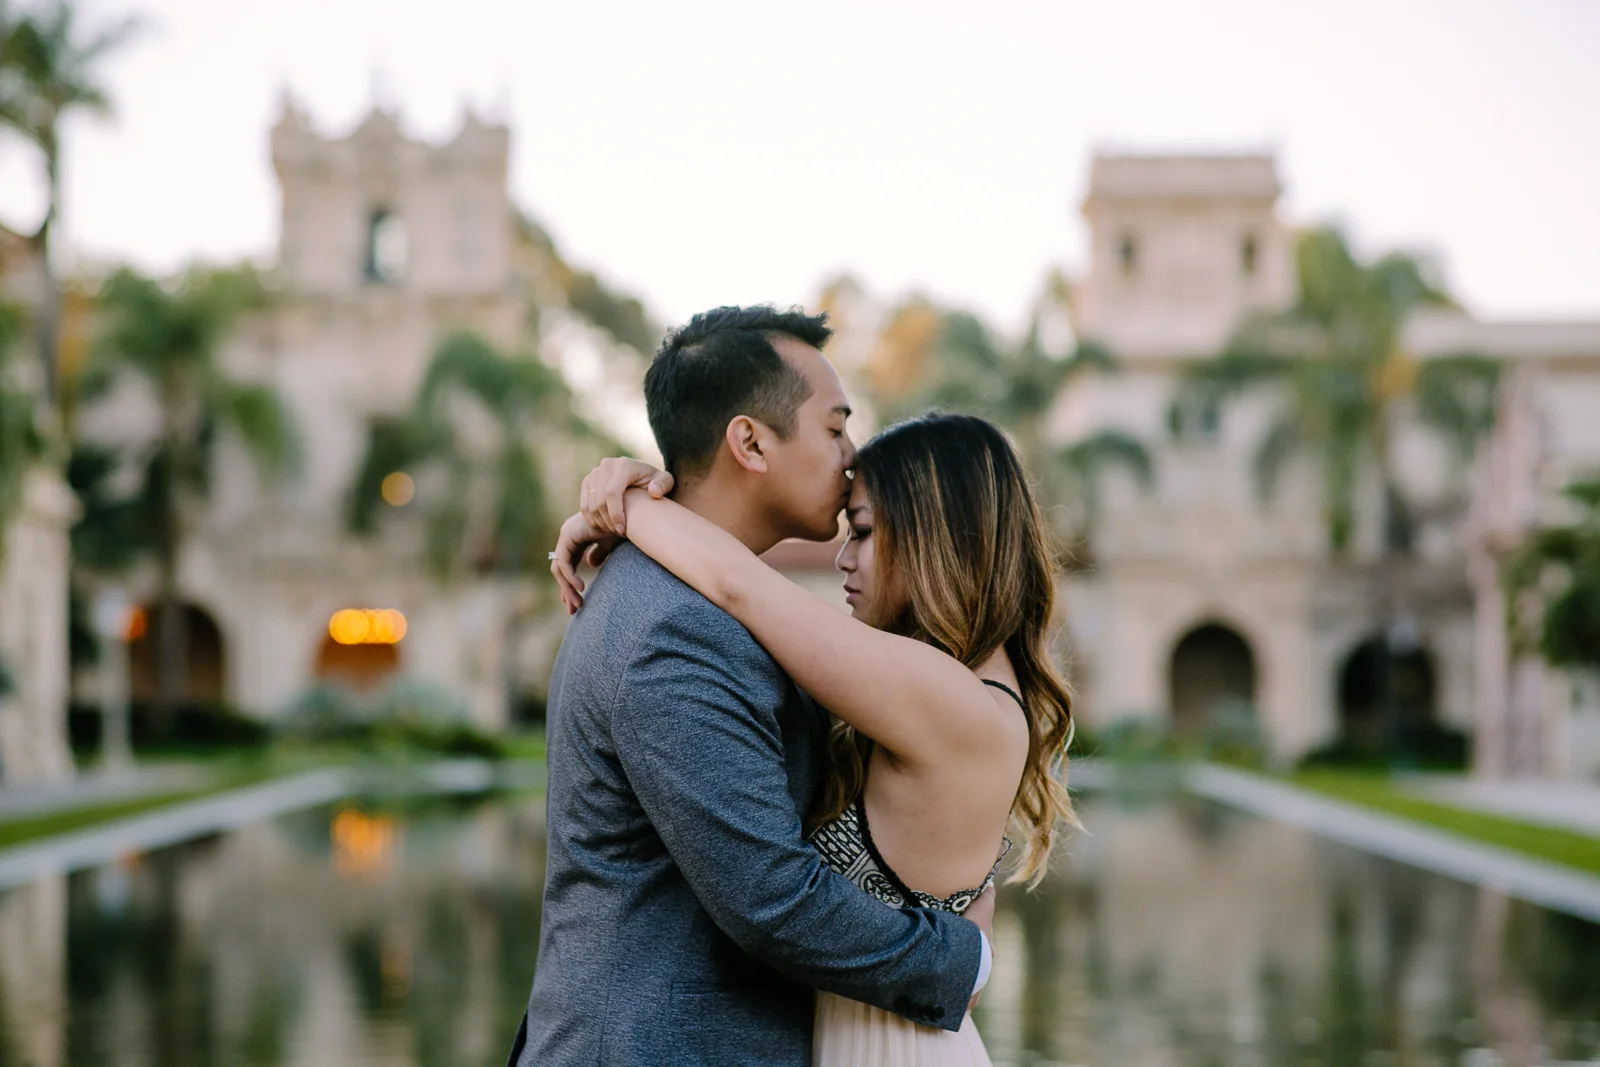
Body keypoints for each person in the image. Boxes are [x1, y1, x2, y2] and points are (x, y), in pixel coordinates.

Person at [507, 306, 994, 1067]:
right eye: (834, 428)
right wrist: (961, 960)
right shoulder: (676, 627)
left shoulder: (709, 603)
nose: (851, 455)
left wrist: (629, 500)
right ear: (751, 441)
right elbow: (772, 897)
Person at [552, 408, 1079, 1065]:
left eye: (861, 531)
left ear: (935, 532)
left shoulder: (948, 698)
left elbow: (737, 584)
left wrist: (621, 505)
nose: (842, 558)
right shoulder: (958, 691)